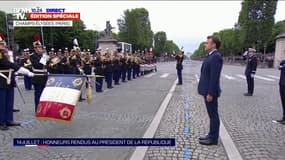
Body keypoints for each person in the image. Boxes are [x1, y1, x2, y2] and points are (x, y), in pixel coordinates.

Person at [0, 36, 34, 130]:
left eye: (4, 43)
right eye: (1, 44)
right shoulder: (0, 54)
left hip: (9, 79)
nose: (4, 45)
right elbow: (7, 64)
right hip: (2, 80)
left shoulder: (6, 53)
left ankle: (9, 120)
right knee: (2, 103)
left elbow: (12, 64)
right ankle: (2, 122)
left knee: (9, 102)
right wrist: (25, 71)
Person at [198, 35, 223, 145]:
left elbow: (214, 77)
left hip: (210, 92)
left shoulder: (216, 56)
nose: (205, 44)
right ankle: (211, 135)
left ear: (214, 45)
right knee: (211, 114)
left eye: (207, 43)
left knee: (213, 115)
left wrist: (210, 93)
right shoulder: (211, 56)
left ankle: (213, 138)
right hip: (207, 90)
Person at [29, 40, 48, 112]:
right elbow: (39, 65)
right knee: (38, 94)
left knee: (44, 95)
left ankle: (43, 108)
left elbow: (47, 65)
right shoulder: (32, 56)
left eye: (41, 47)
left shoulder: (43, 56)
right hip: (37, 77)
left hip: (44, 77)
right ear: (35, 48)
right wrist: (44, 57)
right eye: (38, 48)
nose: (40, 49)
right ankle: (37, 109)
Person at [277, 59, 285, 124]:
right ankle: (284, 117)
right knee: (283, 101)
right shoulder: (283, 61)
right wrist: (280, 65)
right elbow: (279, 68)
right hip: (282, 83)